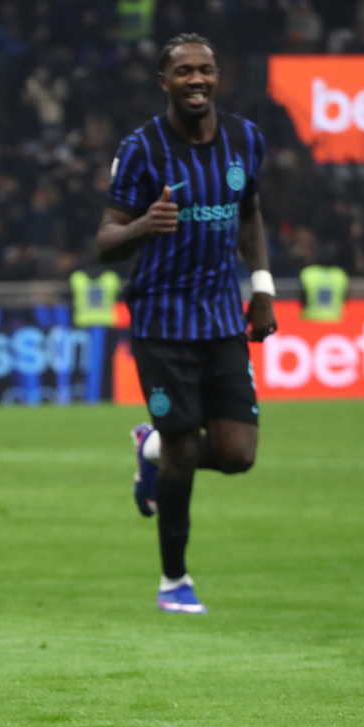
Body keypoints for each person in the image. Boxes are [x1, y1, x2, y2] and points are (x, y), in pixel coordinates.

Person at [95, 33, 277, 615]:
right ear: (164, 82)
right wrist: (145, 223)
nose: (196, 80)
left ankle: (149, 449)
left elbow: (250, 215)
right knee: (182, 453)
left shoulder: (246, 139)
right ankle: (174, 582)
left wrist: (263, 287)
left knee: (239, 453)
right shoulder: (142, 149)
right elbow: (106, 242)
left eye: (205, 70)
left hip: (223, 317)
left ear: (217, 75)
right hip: (162, 321)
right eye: (183, 72)